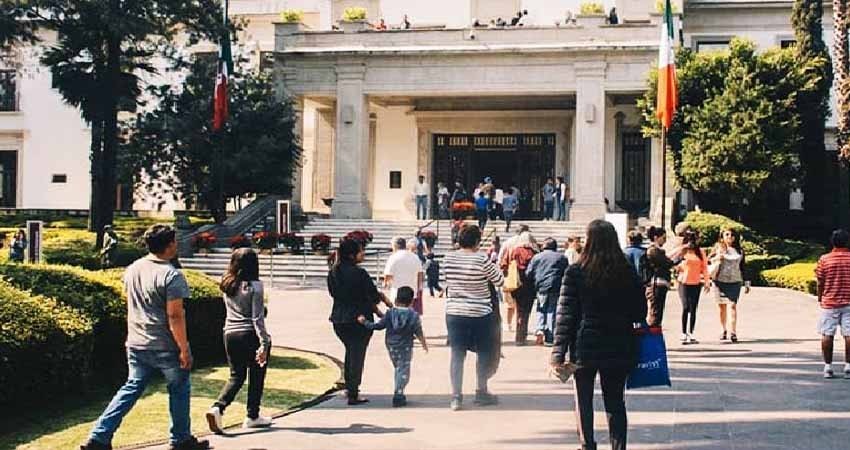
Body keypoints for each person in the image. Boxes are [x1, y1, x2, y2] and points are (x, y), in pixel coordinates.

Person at [81, 225, 210, 450]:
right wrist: (184, 347)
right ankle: (181, 439)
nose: (177, 245)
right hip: (165, 344)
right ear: (169, 245)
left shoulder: (133, 268)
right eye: (175, 242)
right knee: (179, 389)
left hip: (136, 341)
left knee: (131, 388)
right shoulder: (172, 275)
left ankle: (99, 436)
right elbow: (175, 315)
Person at [550, 220, 646, 450]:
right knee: (615, 402)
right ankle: (618, 446)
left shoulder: (575, 271)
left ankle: (587, 445)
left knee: (583, 400)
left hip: (585, 344)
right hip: (619, 342)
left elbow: (565, 315)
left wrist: (557, 353)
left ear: (588, 240)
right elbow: (640, 311)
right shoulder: (626, 271)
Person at [206, 248, 273, 434]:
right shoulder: (256, 286)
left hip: (230, 333)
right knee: (257, 375)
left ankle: (218, 407)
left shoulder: (227, 283)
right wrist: (264, 343)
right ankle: (252, 415)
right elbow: (257, 318)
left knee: (236, 375)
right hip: (249, 334)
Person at [443, 225, 504, 411]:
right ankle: (481, 390)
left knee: (457, 354)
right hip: (480, 312)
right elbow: (499, 280)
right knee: (484, 352)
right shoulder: (481, 259)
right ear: (477, 241)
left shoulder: (448, 258)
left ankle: (456, 396)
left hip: (454, 311)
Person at [327, 238, 393, 405]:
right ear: (351, 255)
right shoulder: (359, 273)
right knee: (357, 355)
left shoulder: (334, 272)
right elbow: (370, 294)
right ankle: (353, 393)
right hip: (359, 320)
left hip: (339, 319)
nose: (363, 254)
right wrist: (382, 302)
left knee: (351, 352)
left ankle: (350, 387)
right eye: (360, 251)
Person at [357, 286, 428, 407]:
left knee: (398, 367)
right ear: (411, 301)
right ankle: (399, 393)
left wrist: (364, 322)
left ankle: (399, 388)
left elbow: (378, 326)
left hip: (391, 345)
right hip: (405, 346)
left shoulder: (391, 313)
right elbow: (418, 331)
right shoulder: (414, 315)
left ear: (396, 300)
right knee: (403, 369)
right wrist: (423, 344)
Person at [815, 229, 850, 379]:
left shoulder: (824, 259)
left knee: (827, 334)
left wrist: (820, 296)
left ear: (832, 242)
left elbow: (820, 281)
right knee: (849, 334)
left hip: (829, 302)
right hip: (849, 301)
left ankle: (828, 367)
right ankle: (848, 366)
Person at [710, 227, 749, 343]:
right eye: (727, 235)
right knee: (721, 307)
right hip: (719, 281)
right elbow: (708, 260)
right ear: (722, 237)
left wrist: (746, 283)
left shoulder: (740, 251)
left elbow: (743, 267)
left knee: (733, 305)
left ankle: (733, 332)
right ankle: (723, 330)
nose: (729, 237)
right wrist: (718, 257)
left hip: (735, 281)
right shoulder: (718, 248)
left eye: (732, 235)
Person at [526, 238, 568, 346]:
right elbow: (566, 272)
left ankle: (540, 329)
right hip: (555, 286)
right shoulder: (562, 257)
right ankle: (549, 337)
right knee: (551, 310)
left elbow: (528, 273)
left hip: (541, 287)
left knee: (541, 308)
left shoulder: (537, 257)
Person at [501, 231, 538, 345]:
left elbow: (503, 264)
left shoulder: (513, 250)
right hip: (529, 285)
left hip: (516, 284)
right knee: (526, 311)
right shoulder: (534, 252)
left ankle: (519, 336)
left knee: (519, 309)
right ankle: (522, 335)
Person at [676, 230, 710, 344]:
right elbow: (672, 259)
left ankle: (691, 332)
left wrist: (707, 282)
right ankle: (683, 332)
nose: (692, 242)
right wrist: (683, 247)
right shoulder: (683, 251)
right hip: (683, 282)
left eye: (693, 240)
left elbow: (704, 267)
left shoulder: (700, 252)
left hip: (695, 283)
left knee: (693, 308)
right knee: (685, 307)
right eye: (689, 240)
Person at [385, 237, 425, 315]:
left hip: (397, 291)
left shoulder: (393, 257)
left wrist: (386, 283)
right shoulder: (414, 256)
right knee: (409, 314)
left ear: (395, 246)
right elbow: (420, 273)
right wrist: (419, 287)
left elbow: (387, 274)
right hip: (411, 290)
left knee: (397, 314)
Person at [645, 226, 674, 327]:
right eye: (663, 238)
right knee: (655, 314)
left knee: (657, 314)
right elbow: (668, 263)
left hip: (659, 284)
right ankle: (652, 338)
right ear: (656, 237)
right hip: (656, 284)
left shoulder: (656, 250)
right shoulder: (653, 251)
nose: (665, 241)